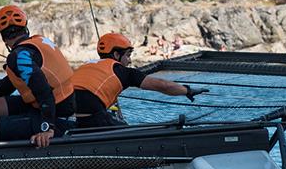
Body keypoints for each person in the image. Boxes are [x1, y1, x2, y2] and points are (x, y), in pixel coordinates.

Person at [0, 5, 75, 147]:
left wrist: (47, 128)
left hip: (57, 115)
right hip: (45, 105)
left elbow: (43, 90)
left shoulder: (19, 56)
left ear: (4, 38)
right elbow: (5, 86)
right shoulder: (37, 43)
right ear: (25, 29)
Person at [71, 32, 208, 128]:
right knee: (125, 129)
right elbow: (163, 85)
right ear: (116, 54)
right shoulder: (123, 72)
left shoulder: (85, 66)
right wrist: (187, 90)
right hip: (93, 116)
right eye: (128, 55)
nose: (129, 60)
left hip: (70, 112)